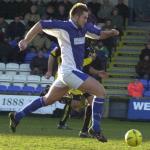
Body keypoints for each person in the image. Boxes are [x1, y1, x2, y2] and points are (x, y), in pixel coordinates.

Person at [9, 3, 119, 142]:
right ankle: (95, 128)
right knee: (101, 92)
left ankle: (17, 116)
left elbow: (99, 34)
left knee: (47, 100)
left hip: (65, 74)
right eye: (84, 17)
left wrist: (112, 32)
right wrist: (26, 40)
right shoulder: (63, 27)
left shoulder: (84, 27)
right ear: (76, 16)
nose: (86, 20)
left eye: (87, 18)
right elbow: (40, 24)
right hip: (69, 72)